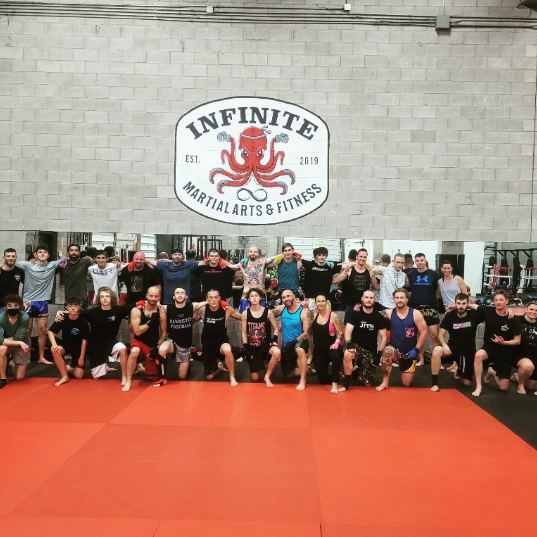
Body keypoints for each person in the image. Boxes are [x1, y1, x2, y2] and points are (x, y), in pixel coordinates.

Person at [56, 287, 134, 390]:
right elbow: (75, 312)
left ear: (111, 298)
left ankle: (124, 377)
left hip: (110, 342)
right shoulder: (93, 312)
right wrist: (60, 312)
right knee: (97, 377)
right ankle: (70, 369)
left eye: (107, 296)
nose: (105, 299)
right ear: (99, 299)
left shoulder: (118, 310)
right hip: (95, 347)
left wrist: (156, 304)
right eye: (102, 297)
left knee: (123, 349)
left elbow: (137, 305)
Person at [16, 245, 62, 365]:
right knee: (27, 329)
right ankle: (26, 357)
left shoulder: (52, 265)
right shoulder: (28, 266)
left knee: (42, 330)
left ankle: (41, 357)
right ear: (35, 255)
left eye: (44, 252)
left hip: (42, 302)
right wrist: (30, 261)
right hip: (28, 302)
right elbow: (13, 263)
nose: (42, 254)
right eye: (39, 252)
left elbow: (66, 261)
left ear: (48, 255)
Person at [472, 289, 521, 397]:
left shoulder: (513, 319)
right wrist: (454, 307)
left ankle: (492, 371)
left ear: (507, 301)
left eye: (501, 300)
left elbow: (517, 341)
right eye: (496, 300)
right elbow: (472, 305)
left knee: (503, 387)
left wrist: (504, 342)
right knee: (478, 356)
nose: (498, 302)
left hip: (504, 350)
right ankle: (478, 386)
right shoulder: (488, 311)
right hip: (489, 348)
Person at [376, 288, 427, 391]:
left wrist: (416, 349)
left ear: (407, 299)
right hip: (395, 349)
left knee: (406, 383)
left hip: (410, 352)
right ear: (394, 299)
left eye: (402, 297)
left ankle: (409, 367)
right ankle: (385, 382)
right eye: (397, 298)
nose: (399, 300)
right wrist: (359, 307)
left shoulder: (415, 313)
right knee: (387, 352)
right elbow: (372, 313)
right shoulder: (389, 313)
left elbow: (424, 331)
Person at [430, 293, 481, 392]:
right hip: (452, 349)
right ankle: (434, 383)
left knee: (467, 383)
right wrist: (444, 345)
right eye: (458, 303)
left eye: (463, 303)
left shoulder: (474, 315)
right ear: (455, 304)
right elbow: (440, 334)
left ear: (468, 304)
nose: (461, 306)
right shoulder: (450, 316)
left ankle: (459, 371)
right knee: (436, 350)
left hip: (467, 352)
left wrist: (470, 305)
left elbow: (487, 310)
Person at [341, 290, 388, 390]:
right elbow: (348, 331)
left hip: (370, 350)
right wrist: (349, 343)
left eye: (371, 298)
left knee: (367, 384)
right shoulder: (354, 313)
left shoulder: (378, 317)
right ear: (362, 299)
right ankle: (347, 384)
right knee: (348, 353)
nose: (368, 300)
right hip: (356, 346)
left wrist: (379, 354)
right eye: (366, 297)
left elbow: (384, 337)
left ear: (374, 300)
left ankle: (357, 368)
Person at [158, 288, 207, 380]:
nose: (180, 295)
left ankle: (188, 362)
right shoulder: (167, 308)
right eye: (177, 293)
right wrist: (140, 304)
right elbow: (154, 304)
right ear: (174, 296)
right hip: (172, 341)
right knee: (162, 349)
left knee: (182, 376)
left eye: (182, 293)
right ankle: (162, 377)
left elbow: (207, 302)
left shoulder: (191, 306)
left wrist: (219, 302)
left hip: (185, 344)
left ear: (186, 296)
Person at [198, 289, 242, 386]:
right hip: (208, 344)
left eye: (216, 297)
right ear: (207, 299)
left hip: (221, 341)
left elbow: (241, 317)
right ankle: (219, 367)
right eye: (211, 297)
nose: (213, 300)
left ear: (219, 298)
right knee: (210, 376)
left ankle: (232, 376)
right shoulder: (203, 309)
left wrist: (261, 314)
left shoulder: (226, 309)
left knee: (227, 350)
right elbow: (194, 315)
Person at [272, 289, 312, 390]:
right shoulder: (282, 309)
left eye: (288, 296)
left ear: (294, 296)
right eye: (283, 297)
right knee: (288, 375)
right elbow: (266, 314)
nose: (286, 299)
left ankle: (303, 380)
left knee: (299, 349)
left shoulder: (304, 311)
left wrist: (294, 342)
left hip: (300, 342)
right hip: (286, 346)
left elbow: (307, 334)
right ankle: (306, 370)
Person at [406, 253, 441, 367]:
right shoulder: (410, 274)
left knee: (435, 335)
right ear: (414, 262)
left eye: (422, 260)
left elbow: (440, 289)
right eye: (417, 260)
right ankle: (420, 359)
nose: (420, 262)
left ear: (425, 261)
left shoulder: (434, 274)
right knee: (419, 335)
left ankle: (437, 360)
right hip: (416, 308)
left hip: (431, 307)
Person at [241, 287, 281, 387]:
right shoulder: (245, 314)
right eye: (251, 296)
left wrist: (274, 340)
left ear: (260, 298)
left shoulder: (268, 312)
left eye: (256, 296)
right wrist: (245, 348)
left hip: (265, 344)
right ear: (248, 299)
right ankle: (268, 367)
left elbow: (276, 329)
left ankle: (267, 376)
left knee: (276, 352)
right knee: (255, 378)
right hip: (252, 347)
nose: (254, 298)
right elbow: (243, 332)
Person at [129, 286, 167, 389]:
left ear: (159, 297)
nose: (153, 299)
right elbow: (137, 331)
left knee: (152, 377)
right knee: (134, 351)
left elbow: (164, 332)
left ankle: (142, 366)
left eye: (156, 296)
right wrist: (151, 321)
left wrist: (158, 346)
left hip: (152, 345)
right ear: (146, 295)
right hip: (139, 342)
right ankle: (128, 380)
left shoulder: (161, 311)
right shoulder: (136, 310)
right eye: (151, 296)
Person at [47, 296, 90, 386]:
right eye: (70, 306)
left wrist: (82, 357)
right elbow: (50, 331)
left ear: (79, 307)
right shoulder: (62, 317)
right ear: (66, 307)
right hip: (66, 345)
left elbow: (84, 341)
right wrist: (54, 345)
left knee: (79, 376)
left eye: (75, 305)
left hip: (78, 348)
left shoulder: (83, 321)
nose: (73, 308)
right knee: (56, 351)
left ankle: (69, 368)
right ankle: (64, 376)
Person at [222, 246, 275, 312]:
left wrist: (284, 255)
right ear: (248, 253)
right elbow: (230, 266)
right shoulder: (243, 264)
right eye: (251, 251)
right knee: (244, 317)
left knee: (261, 317)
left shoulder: (263, 262)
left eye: (255, 252)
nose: (253, 253)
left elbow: (274, 258)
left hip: (260, 295)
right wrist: (219, 260)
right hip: (246, 295)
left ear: (258, 254)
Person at [438, 259, 468, 372]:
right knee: (451, 337)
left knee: (459, 337)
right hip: (448, 313)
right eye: (444, 268)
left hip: (459, 310)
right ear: (441, 269)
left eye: (448, 268)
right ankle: (454, 362)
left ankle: (458, 364)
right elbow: (439, 295)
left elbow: (465, 295)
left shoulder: (458, 279)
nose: (446, 270)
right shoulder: (439, 282)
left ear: (452, 269)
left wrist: (458, 306)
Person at [309, 294, 344, 393]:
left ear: (326, 302)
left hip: (332, 347)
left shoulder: (333, 316)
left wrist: (337, 342)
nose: (321, 303)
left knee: (335, 355)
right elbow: (309, 333)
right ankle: (338, 375)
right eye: (318, 301)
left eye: (323, 301)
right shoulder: (313, 314)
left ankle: (334, 384)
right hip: (319, 349)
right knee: (322, 379)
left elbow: (340, 332)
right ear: (315, 303)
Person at [334, 247, 378, 322]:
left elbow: (376, 286)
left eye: (365, 257)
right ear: (356, 257)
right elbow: (335, 280)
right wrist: (343, 271)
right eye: (361, 256)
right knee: (348, 326)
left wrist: (373, 275)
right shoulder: (350, 270)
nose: (362, 258)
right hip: (351, 304)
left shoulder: (369, 271)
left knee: (363, 326)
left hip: (364, 304)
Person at [0, 294, 30, 387]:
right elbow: (0, 340)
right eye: (9, 305)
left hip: (21, 344)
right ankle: (3, 378)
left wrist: (20, 342)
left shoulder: (25, 317)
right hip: (11, 344)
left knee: (19, 377)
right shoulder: (1, 318)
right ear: (5, 307)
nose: (13, 308)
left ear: (20, 307)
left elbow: (19, 337)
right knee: (2, 349)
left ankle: (12, 363)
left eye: (15, 305)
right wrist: (19, 342)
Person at [511, 301, 537, 395]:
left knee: (531, 386)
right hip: (519, 354)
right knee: (527, 366)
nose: (533, 312)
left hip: (533, 355)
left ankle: (517, 377)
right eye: (531, 309)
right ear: (526, 309)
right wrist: (509, 311)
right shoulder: (517, 320)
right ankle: (520, 385)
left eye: (536, 310)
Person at [60, 243, 93, 309]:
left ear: (79, 252)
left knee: (82, 318)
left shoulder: (85, 262)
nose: (74, 252)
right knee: (69, 318)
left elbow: (97, 266)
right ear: (68, 252)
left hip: (82, 299)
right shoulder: (63, 264)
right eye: (71, 250)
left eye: (76, 250)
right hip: (69, 299)